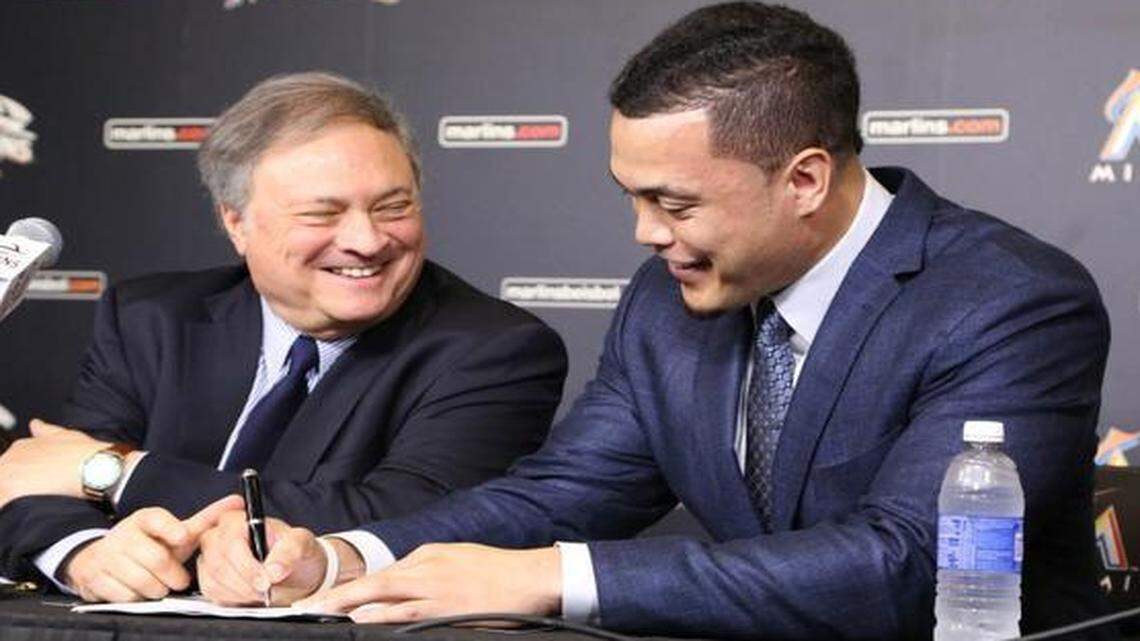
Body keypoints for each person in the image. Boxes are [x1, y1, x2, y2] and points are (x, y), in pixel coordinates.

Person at [193, 4, 1111, 639]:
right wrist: (349, 558)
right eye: (631, 196)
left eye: (673, 202)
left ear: (804, 179)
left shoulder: (1008, 300)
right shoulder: (666, 300)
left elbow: (910, 563)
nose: (644, 234)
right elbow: (564, 491)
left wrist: (556, 579)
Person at [0, 72, 567, 603]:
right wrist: (85, 553)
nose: (367, 241)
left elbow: (406, 514)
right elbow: (33, 482)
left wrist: (114, 474)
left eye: (393, 207)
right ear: (236, 222)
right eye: (322, 215)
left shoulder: (495, 348)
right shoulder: (152, 317)